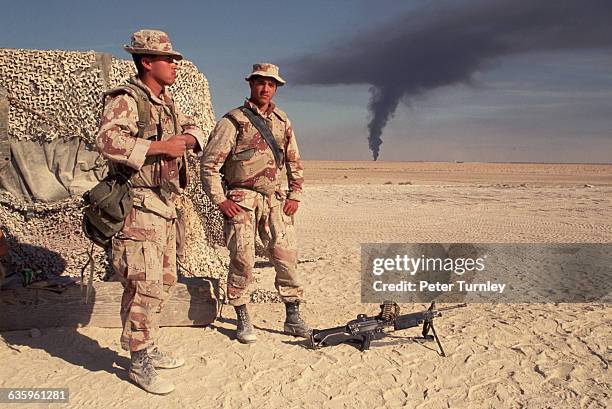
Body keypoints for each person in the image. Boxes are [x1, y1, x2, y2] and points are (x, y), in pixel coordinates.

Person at [96, 29, 206, 395]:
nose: (175, 65)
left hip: (165, 206)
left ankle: (149, 345)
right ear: (146, 61)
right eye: (168, 59)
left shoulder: (167, 101)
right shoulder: (127, 99)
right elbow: (109, 141)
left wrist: (185, 141)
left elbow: (193, 130)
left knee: (164, 282)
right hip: (139, 206)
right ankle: (138, 360)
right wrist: (161, 146)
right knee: (144, 284)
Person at [201, 63, 310, 344]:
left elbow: (294, 160)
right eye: (260, 83)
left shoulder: (283, 121)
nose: (265, 88)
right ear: (251, 85)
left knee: (286, 258)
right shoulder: (233, 121)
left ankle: (293, 316)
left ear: (276, 88)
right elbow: (210, 165)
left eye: (271, 84)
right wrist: (221, 200)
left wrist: (295, 194)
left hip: (276, 201)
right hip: (242, 201)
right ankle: (242, 317)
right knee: (243, 259)